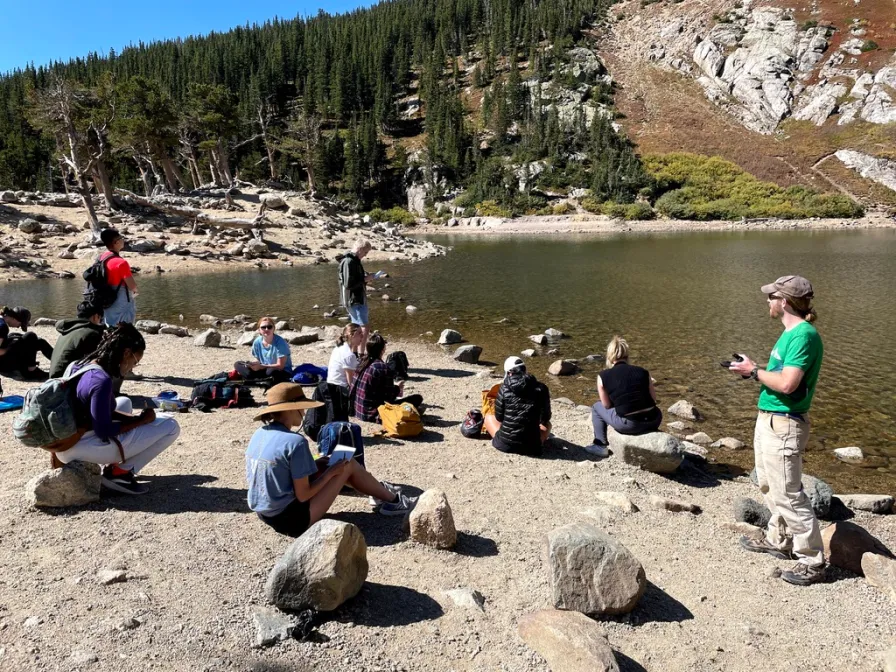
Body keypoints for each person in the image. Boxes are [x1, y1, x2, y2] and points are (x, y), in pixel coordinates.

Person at [729, 275, 826, 586]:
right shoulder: (790, 334)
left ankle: (812, 559)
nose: (767, 301)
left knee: (788, 492)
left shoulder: (803, 336)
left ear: (784, 302)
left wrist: (754, 372)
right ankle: (778, 538)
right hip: (771, 419)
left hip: (785, 424)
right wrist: (754, 368)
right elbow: (780, 376)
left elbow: (788, 383)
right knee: (770, 484)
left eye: (771, 297)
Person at [246, 383, 417, 537]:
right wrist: (329, 474)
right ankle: (393, 501)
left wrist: (318, 464)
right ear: (291, 409)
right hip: (291, 521)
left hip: (265, 513)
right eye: (302, 407)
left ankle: (380, 494)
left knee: (331, 462)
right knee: (347, 464)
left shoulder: (260, 433)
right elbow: (303, 494)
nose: (305, 412)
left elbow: (280, 468)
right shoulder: (295, 442)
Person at [54, 323, 181, 496]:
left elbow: (90, 410)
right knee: (171, 426)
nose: (132, 368)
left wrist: (133, 418)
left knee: (123, 402)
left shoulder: (78, 365)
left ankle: (115, 468)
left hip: (65, 443)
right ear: (126, 353)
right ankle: (119, 474)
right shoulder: (101, 380)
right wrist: (141, 421)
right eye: (135, 362)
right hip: (79, 448)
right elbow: (103, 431)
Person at [588, 336, 663, 458]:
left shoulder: (603, 376)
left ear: (610, 356)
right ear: (627, 355)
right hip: (654, 420)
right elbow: (653, 399)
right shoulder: (643, 371)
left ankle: (600, 445)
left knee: (597, 407)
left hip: (630, 425)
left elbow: (606, 405)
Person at [484, 357, 552, 457]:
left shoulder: (504, 388)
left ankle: (509, 439)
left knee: (489, 417)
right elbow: (545, 418)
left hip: (505, 445)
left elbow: (499, 418)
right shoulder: (541, 388)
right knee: (548, 424)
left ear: (509, 373)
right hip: (532, 447)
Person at [350, 333, 422, 423]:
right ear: (383, 349)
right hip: (372, 413)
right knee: (417, 398)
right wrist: (398, 389)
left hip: (357, 409)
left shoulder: (361, 362)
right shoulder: (382, 367)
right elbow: (388, 397)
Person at [48, 302, 106, 379]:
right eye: (100, 318)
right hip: (65, 379)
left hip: (55, 375)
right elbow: (93, 360)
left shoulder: (69, 329)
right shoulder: (90, 333)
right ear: (95, 316)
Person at [97, 229, 138, 327]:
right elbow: (132, 287)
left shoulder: (101, 258)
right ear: (116, 242)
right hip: (121, 297)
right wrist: (136, 294)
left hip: (105, 297)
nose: (123, 240)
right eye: (121, 238)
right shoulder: (121, 263)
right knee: (124, 327)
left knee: (109, 324)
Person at [338, 239, 373, 351]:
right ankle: (361, 354)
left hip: (356, 299)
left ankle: (355, 354)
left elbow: (355, 279)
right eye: (365, 252)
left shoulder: (354, 260)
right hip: (354, 300)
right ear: (360, 249)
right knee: (364, 327)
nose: (365, 255)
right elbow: (348, 284)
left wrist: (366, 278)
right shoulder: (349, 262)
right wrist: (365, 279)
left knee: (356, 328)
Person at [0, 306, 52, 380]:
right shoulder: (2, 327)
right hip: (4, 366)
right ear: (14, 318)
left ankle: (60, 363)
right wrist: (9, 348)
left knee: (38, 341)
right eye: (20, 324)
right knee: (30, 336)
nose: (19, 327)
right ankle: (31, 371)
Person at [236, 317, 293, 384]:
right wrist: (253, 365)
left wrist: (261, 366)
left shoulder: (280, 343)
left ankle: (254, 378)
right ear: (259, 330)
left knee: (271, 371)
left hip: (280, 371)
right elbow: (260, 361)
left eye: (269, 327)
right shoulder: (257, 342)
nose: (266, 329)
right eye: (263, 327)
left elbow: (280, 366)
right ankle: (258, 378)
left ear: (273, 328)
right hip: (264, 368)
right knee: (238, 364)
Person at [326, 323, 363, 421]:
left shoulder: (339, 347)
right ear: (351, 335)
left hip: (331, 383)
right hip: (340, 389)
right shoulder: (348, 355)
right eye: (360, 334)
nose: (362, 337)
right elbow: (351, 382)